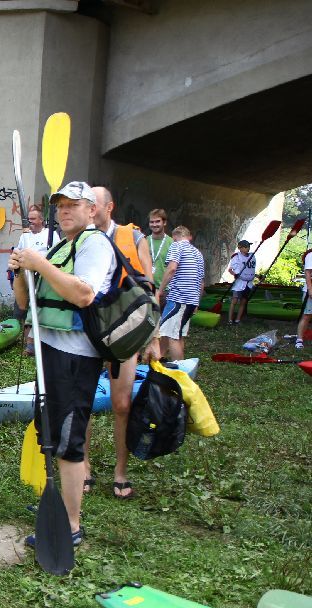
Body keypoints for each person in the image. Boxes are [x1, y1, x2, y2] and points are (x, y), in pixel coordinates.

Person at [9, 181, 117, 548]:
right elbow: (24, 303)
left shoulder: (95, 244)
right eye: (61, 206)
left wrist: (38, 263)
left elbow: (83, 294)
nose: (65, 211)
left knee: (70, 439)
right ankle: (55, 503)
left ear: (91, 210)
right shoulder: (58, 247)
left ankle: (71, 525)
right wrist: (20, 272)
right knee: (50, 432)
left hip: (77, 357)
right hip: (49, 351)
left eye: (73, 205)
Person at [83, 186, 160, 501]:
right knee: (84, 402)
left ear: (109, 207)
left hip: (123, 332)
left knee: (122, 404)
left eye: (94, 204)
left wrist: (153, 338)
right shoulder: (81, 238)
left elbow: (148, 289)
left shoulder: (134, 237)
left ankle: (120, 471)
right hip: (88, 331)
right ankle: (84, 467)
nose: (89, 209)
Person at [157, 226, 205, 361]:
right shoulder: (198, 253)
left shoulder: (176, 246)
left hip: (178, 298)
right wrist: (196, 302)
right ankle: (158, 359)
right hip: (191, 300)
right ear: (188, 236)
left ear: (175, 237)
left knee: (172, 336)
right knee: (176, 334)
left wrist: (160, 290)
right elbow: (201, 282)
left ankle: (180, 369)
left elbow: (172, 269)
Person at [13, 203, 49, 354]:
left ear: (41, 220)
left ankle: (40, 343)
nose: (30, 222)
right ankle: (29, 345)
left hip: (42, 277)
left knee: (40, 309)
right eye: (29, 219)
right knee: (23, 309)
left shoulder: (50, 234)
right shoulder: (24, 236)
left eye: (33, 219)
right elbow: (18, 253)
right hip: (26, 276)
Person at [227, 239, 256, 325]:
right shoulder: (236, 257)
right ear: (240, 248)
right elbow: (230, 270)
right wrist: (235, 274)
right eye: (246, 247)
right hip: (239, 284)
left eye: (248, 246)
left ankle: (238, 320)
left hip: (249, 284)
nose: (248, 248)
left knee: (243, 302)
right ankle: (230, 320)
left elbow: (250, 269)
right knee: (234, 301)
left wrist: (258, 276)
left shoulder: (252, 256)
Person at [147, 209, 173, 291]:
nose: (154, 225)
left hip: (166, 291)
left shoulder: (172, 243)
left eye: (157, 221)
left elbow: (173, 269)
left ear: (164, 223)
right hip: (147, 289)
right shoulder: (144, 241)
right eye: (151, 222)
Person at [296, 249, 312, 350]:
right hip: (310, 290)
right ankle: (299, 339)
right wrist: (310, 289)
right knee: (307, 315)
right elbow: (307, 273)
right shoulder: (310, 255)